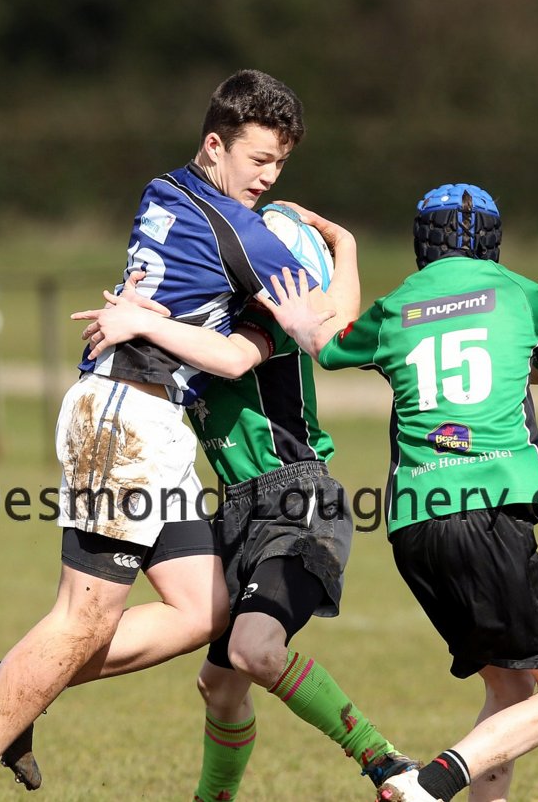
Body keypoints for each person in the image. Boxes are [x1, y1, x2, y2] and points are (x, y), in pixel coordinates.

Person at [0, 70, 320, 802]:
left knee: (206, 609)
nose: (269, 178)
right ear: (214, 145)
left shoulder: (166, 190)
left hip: (151, 425)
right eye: (258, 159)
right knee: (84, 619)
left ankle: (11, 683)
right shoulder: (235, 230)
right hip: (125, 422)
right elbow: (322, 328)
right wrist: (341, 246)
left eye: (280, 163)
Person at [259, 184, 538, 802]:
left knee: (510, 691)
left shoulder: (397, 306)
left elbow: (327, 346)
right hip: (489, 517)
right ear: (492, 240)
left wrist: (321, 286)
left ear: (422, 241)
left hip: (415, 528)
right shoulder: (522, 293)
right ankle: (428, 787)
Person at [74, 202, 421, 801]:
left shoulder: (268, 320)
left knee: (253, 651)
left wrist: (345, 246)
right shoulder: (205, 320)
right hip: (236, 509)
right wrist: (134, 309)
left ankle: (384, 761)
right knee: (220, 687)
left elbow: (317, 325)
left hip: (298, 498)